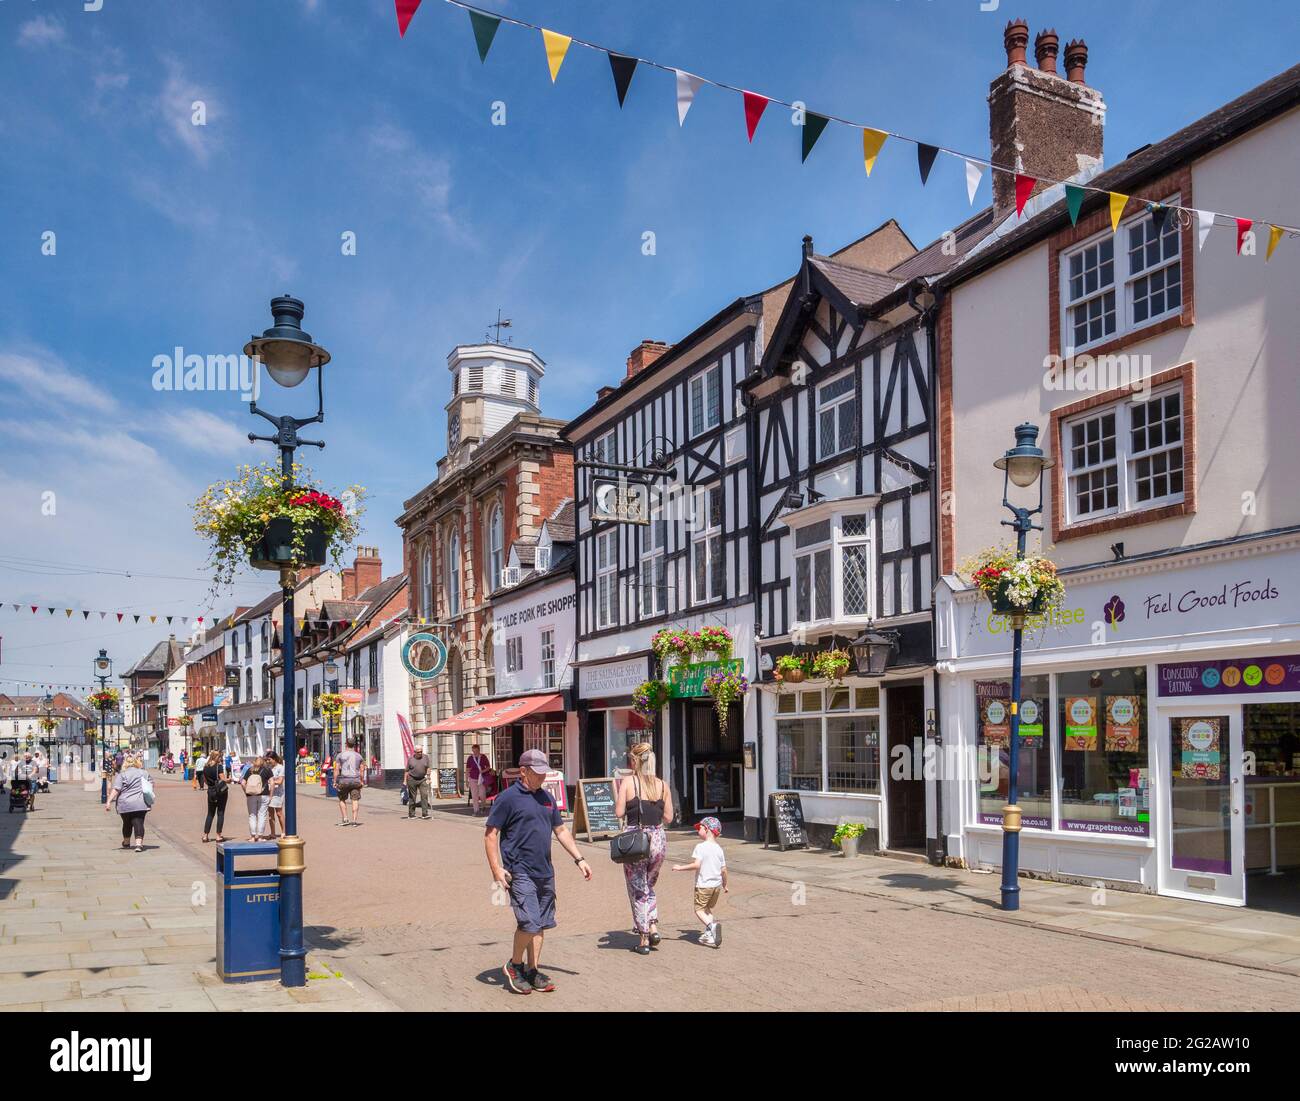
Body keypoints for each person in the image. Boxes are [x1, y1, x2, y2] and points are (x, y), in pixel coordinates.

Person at [485, 749, 592, 995]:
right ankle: (514, 965)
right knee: (529, 922)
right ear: (523, 771)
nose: (543, 778)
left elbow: (561, 831)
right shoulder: (507, 798)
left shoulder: (547, 798)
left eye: (545, 773)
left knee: (541, 923)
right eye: (538, 773)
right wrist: (496, 869)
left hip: (545, 871)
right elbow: (491, 835)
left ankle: (532, 970)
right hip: (519, 870)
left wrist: (580, 859)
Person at [613, 742, 673, 955]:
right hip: (658, 839)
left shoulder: (629, 783)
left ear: (635, 761)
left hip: (636, 841)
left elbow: (619, 813)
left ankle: (644, 937)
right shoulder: (663, 785)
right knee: (649, 885)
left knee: (638, 889)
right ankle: (654, 925)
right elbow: (669, 817)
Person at [672, 816, 728, 948]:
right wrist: (725, 884)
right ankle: (710, 933)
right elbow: (724, 870)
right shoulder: (719, 849)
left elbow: (696, 865)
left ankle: (712, 926)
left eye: (700, 828)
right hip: (716, 886)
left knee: (699, 910)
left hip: (703, 885)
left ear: (707, 829)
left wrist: (680, 868)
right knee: (707, 909)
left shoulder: (700, 847)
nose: (698, 830)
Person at [105, 752, 152, 852]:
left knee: (126, 823)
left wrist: (108, 801)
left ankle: (126, 842)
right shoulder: (144, 773)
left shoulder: (122, 775)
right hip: (140, 803)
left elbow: (116, 789)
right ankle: (138, 844)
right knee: (138, 822)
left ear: (124, 764)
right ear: (137, 763)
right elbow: (150, 785)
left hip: (125, 804)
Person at [240, 755, 272, 841]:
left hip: (251, 795)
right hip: (264, 794)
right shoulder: (267, 770)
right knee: (262, 815)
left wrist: (246, 792)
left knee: (252, 815)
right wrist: (270, 795)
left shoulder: (250, 770)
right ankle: (260, 836)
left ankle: (253, 837)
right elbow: (272, 783)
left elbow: (243, 783)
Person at [334, 737, 365, 826]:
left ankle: (345, 819)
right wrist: (362, 781)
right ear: (354, 745)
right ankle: (354, 820)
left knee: (342, 799)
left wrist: (335, 781)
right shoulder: (359, 756)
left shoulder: (340, 755)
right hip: (355, 781)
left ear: (346, 744)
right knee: (355, 800)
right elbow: (362, 770)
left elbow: (336, 769)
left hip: (343, 781)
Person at [201, 750, 229, 843]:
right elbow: (223, 779)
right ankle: (218, 836)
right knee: (220, 813)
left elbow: (204, 780)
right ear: (217, 757)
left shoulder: (205, 767)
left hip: (210, 791)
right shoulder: (219, 767)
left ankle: (205, 835)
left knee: (210, 814)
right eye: (220, 757)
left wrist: (211, 784)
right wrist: (229, 779)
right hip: (220, 792)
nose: (220, 758)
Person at [403, 745, 431, 820]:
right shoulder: (410, 759)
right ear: (414, 752)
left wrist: (428, 777)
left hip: (422, 779)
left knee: (424, 795)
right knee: (412, 797)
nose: (420, 753)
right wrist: (405, 781)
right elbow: (406, 771)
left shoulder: (426, 757)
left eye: (421, 751)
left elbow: (428, 767)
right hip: (412, 779)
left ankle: (425, 814)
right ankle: (411, 814)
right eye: (418, 752)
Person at [466, 743, 491, 816]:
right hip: (472, 778)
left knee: (482, 794)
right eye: (473, 751)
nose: (475, 753)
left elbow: (488, 767)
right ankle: (476, 810)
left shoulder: (483, 757)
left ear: (479, 750)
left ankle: (483, 806)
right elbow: (467, 769)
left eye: (476, 751)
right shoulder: (470, 758)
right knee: (474, 795)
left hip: (481, 778)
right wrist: (466, 780)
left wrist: (482, 771)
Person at [266, 752, 286, 839]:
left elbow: (280, 781)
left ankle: (283, 831)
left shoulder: (280, 767)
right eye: (267, 760)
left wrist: (271, 781)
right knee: (270, 814)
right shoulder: (268, 768)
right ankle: (273, 833)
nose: (268, 761)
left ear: (274, 759)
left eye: (269, 760)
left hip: (278, 793)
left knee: (279, 813)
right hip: (269, 792)